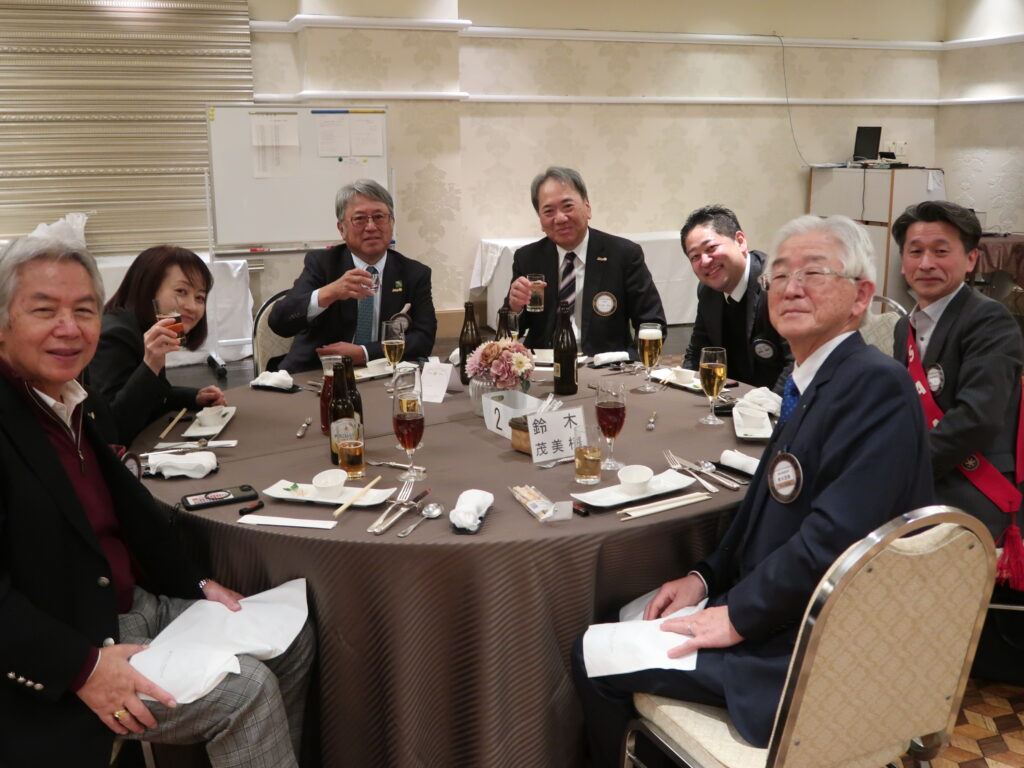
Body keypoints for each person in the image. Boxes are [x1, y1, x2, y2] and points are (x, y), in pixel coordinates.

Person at [572, 214, 933, 767]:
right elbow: (765, 506)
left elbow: (835, 542)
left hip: (805, 650)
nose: (791, 287)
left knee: (592, 653)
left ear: (861, 296)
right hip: (775, 613)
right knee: (624, 613)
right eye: (781, 274)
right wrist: (704, 577)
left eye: (814, 273)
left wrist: (735, 615)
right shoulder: (815, 381)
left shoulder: (875, 386)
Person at [0, 234, 314, 768]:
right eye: (44, 310)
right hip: (68, 643)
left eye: (84, 310)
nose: (69, 328)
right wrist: (84, 669)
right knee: (247, 691)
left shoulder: (72, 396)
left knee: (291, 638)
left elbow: (128, 509)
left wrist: (197, 583)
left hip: (135, 605)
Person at [892, 200, 1023, 543]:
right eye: (915, 251)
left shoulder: (989, 320)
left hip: (973, 484)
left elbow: (977, 419)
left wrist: (902, 468)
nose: (926, 263)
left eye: (940, 251)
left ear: (971, 259)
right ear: (903, 262)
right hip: (925, 474)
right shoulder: (903, 327)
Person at [269, 178, 437, 373]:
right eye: (360, 219)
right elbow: (279, 322)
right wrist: (329, 293)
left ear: (391, 223)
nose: (371, 227)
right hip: (318, 373)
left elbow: (424, 338)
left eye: (379, 217)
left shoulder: (414, 273)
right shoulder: (322, 264)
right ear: (342, 229)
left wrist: (364, 352)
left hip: (381, 374)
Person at [505, 167, 666, 357]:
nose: (560, 218)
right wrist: (514, 308)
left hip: (605, 365)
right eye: (548, 211)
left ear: (587, 207)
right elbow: (508, 333)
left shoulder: (624, 255)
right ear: (540, 219)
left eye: (568, 206)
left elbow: (653, 323)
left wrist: (628, 362)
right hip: (545, 364)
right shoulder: (528, 258)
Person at [86, 245, 227, 445]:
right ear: (148, 289)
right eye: (181, 291)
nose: (192, 306)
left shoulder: (142, 327)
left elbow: (154, 395)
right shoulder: (115, 335)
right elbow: (113, 429)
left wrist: (195, 397)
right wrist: (151, 364)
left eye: (199, 297)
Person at [681, 205, 792, 392]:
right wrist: (682, 390)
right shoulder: (708, 291)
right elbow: (697, 352)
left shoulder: (779, 285)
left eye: (711, 248)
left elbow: (796, 363)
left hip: (774, 401)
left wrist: (766, 405)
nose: (705, 261)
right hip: (730, 399)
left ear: (740, 241)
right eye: (695, 257)